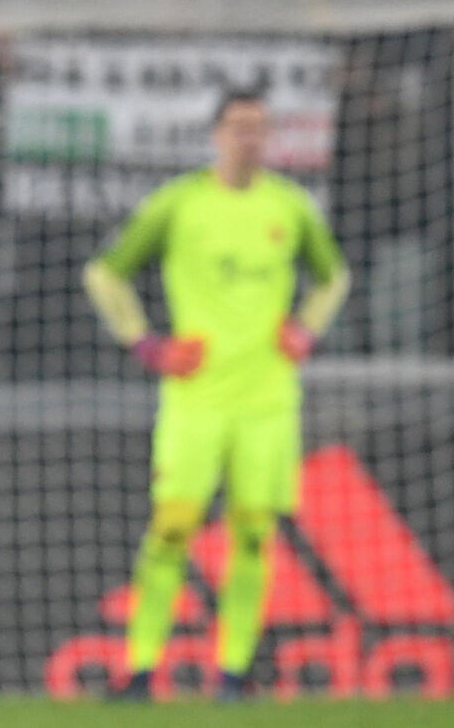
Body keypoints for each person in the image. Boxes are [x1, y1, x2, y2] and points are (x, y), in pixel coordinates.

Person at [82, 88, 350, 701]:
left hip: (267, 400)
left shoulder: (291, 206)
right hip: (196, 399)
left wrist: (306, 328)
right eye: (238, 127)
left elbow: (334, 277)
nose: (249, 138)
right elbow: (103, 274)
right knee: (172, 530)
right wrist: (146, 344)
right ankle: (141, 669)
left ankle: (234, 671)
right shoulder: (179, 203)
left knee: (253, 536)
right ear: (217, 135)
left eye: (259, 128)